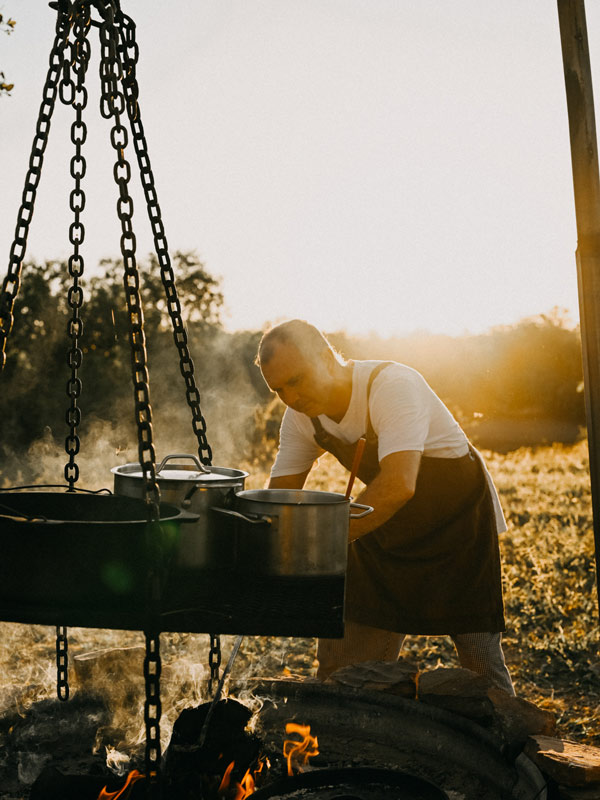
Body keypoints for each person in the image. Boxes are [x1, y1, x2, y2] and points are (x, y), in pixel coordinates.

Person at [256, 319, 515, 695]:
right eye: (278, 389)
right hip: (381, 522)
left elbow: (398, 483)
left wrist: (322, 546)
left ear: (327, 358)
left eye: (296, 380)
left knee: (479, 661)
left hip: (456, 523)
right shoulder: (301, 418)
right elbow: (279, 498)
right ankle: (344, 741)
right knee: (344, 667)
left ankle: (512, 743)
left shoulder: (393, 386)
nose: (291, 397)